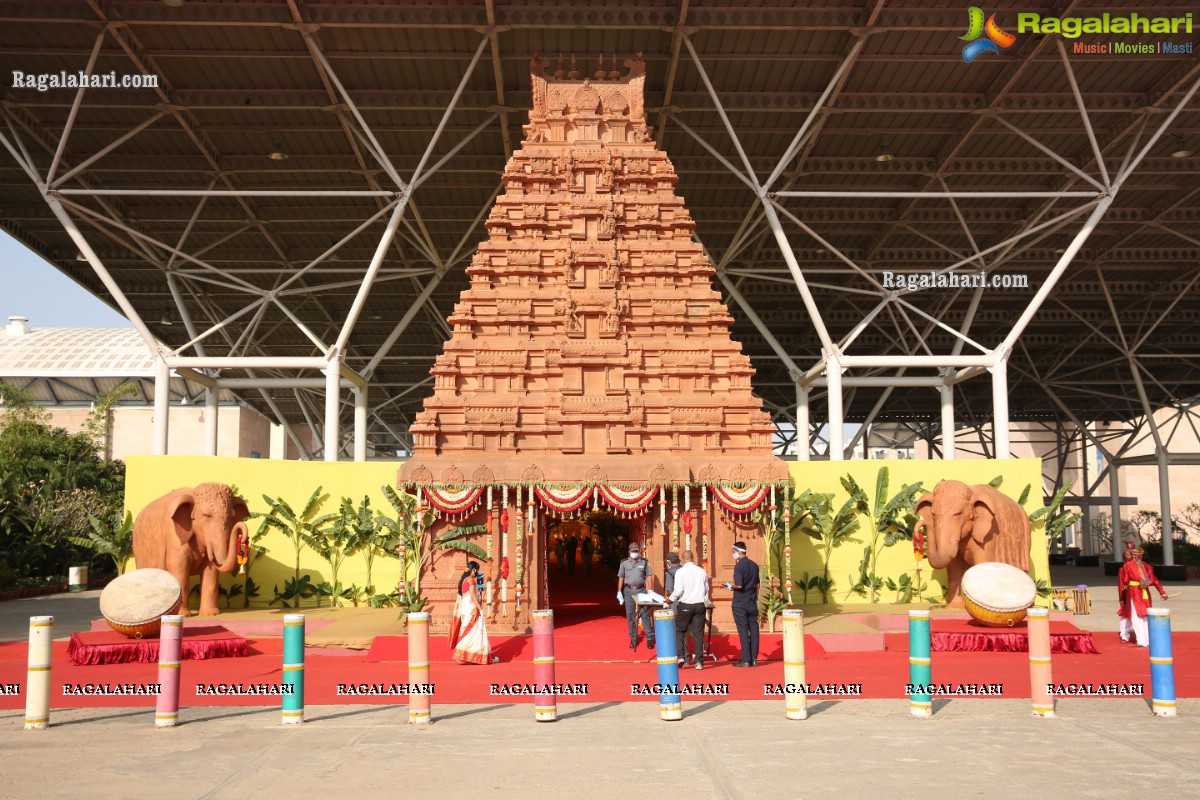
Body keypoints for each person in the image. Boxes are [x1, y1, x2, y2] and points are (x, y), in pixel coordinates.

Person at [665, 550, 708, 670]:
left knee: (680, 630)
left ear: (683, 560)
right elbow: (706, 589)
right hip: (699, 605)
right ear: (693, 558)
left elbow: (678, 590)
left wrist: (670, 599)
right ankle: (699, 662)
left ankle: (681, 657)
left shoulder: (681, 572)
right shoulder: (701, 571)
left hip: (686, 605)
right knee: (698, 633)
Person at [1118, 543, 1167, 647]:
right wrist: (1162, 593)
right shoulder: (1147, 566)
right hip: (1145, 593)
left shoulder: (1127, 565)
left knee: (1136, 617)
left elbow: (1125, 580)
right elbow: (1154, 580)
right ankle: (1147, 641)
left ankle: (1141, 641)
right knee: (1145, 616)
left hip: (1134, 592)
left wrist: (1122, 597)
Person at [723, 541, 760, 667]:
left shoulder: (739, 566)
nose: (733, 554)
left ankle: (745, 659)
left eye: (734, 552)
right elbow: (757, 585)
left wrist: (730, 586)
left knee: (743, 631)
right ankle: (754, 659)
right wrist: (755, 597)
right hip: (752, 601)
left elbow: (739, 585)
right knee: (754, 630)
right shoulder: (755, 565)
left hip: (740, 602)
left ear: (739, 551)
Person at [449, 561, 492, 665]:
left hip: (465, 609)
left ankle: (467, 656)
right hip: (472, 609)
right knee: (474, 631)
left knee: (469, 631)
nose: (476, 572)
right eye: (476, 569)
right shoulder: (471, 580)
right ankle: (463, 652)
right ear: (473, 570)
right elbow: (473, 596)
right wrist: (480, 608)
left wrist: (481, 591)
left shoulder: (464, 580)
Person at [617, 542, 655, 651]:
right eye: (633, 551)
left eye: (636, 551)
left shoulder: (644, 562)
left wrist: (650, 590)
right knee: (631, 615)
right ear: (629, 552)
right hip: (628, 591)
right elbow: (621, 577)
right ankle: (633, 639)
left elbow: (648, 576)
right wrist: (619, 591)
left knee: (644, 614)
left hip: (641, 590)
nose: (635, 553)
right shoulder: (624, 563)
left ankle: (649, 638)